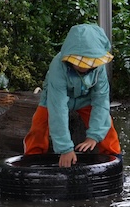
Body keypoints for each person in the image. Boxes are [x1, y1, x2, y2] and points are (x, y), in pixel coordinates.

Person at [23, 23, 122, 167]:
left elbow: (101, 102)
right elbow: (58, 108)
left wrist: (94, 136)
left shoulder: (99, 68)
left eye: (90, 62)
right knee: (39, 124)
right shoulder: (58, 66)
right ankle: (32, 159)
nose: (85, 66)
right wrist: (65, 149)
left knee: (107, 125)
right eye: (81, 61)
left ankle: (114, 159)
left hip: (85, 98)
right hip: (55, 97)